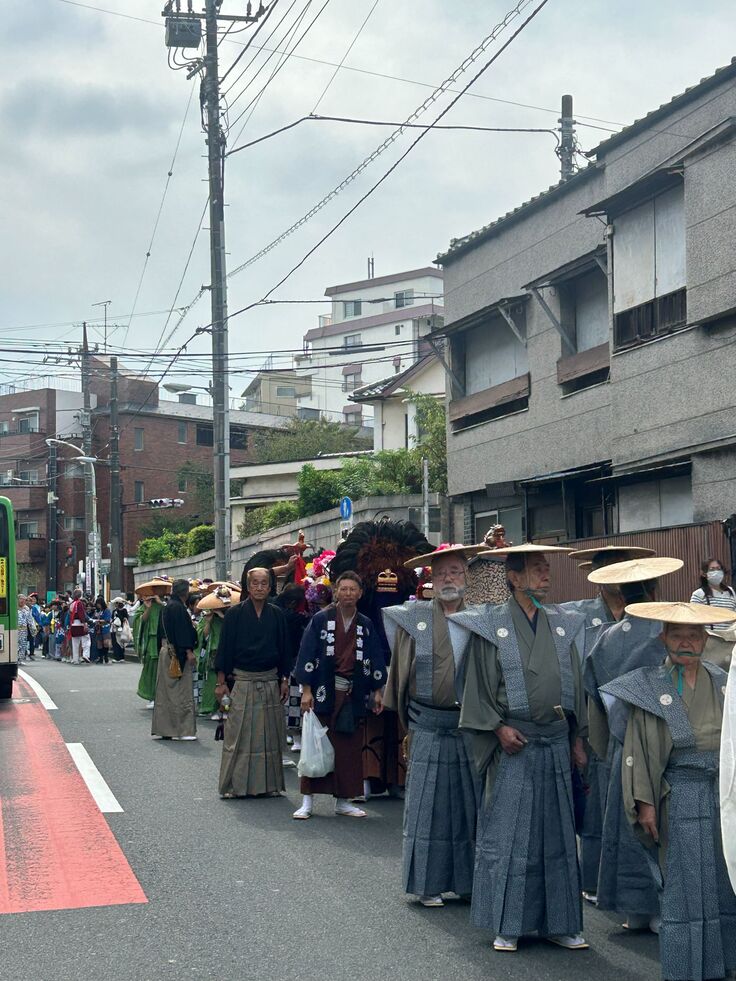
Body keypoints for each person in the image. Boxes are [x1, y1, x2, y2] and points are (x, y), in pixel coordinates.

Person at [453, 543, 588, 953]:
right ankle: (507, 924)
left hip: (554, 740)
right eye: (536, 568)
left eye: (546, 568)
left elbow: (576, 685)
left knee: (558, 837)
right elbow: (475, 684)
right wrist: (496, 728)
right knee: (511, 834)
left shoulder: (563, 623)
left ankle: (560, 922)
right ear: (513, 577)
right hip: (515, 741)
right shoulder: (490, 624)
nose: (546, 574)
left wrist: (576, 737)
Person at [601, 601, 736, 981]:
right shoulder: (649, 687)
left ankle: (723, 962)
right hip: (676, 793)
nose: (686, 643)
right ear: (663, 638)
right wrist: (645, 804)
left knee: (723, 878)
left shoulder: (723, 682)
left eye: (694, 635)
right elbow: (639, 751)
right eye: (677, 635)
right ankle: (685, 968)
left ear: (705, 638)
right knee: (683, 883)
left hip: (720, 793)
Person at [585, 556, 683, 932]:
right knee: (658, 821)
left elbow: (590, 693)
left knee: (625, 821)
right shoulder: (667, 631)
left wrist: (604, 741)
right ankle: (659, 906)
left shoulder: (604, 639)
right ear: (654, 591)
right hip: (662, 740)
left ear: (623, 597)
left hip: (619, 739)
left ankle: (633, 910)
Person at [383, 545, 480, 908]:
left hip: (469, 725)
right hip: (426, 722)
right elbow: (400, 669)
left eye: (455, 572)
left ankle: (468, 881)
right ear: (431, 581)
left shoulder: (479, 619)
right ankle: (427, 883)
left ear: (467, 578)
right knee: (428, 806)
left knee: (469, 804)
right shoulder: (415, 618)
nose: (448, 579)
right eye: (441, 574)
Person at [562, 544, 656, 903]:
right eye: (611, 572)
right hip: (598, 723)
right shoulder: (578, 616)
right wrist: (576, 736)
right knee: (599, 808)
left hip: (643, 726)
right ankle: (596, 880)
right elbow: (575, 677)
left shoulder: (652, 617)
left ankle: (636, 892)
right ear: (598, 579)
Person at [293, 571, 387, 820]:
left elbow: (375, 657)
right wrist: (306, 690)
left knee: (348, 748)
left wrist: (377, 691)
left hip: (352, 693)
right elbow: (307, 654)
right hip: (324, 690)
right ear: (335, 592)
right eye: (343, 589)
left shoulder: (365, 624)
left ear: (360, 593)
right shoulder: (321, 620)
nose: (347, 594)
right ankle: (307, 801)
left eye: (352, 590)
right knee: (316, 745)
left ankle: (343, 800)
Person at [214, 568, 291, 799]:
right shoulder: (235, 614)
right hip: (243, 680)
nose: (259, 587)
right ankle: (234, 785)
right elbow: (225, 649)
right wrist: (220, 683)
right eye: (255, 583)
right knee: (239, 735)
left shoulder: (277, 614)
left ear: (270, 587)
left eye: (264, 583)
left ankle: (268, 785)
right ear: (248, 587)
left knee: (269, 735)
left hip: (270, 680)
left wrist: (284, 679)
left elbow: (285, 650)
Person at [151, 578, 198, 741]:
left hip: (165, 651)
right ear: (185, 592)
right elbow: (182, 632)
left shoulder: (167, 607)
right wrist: (188, 651)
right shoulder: (178, 608)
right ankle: (182, 730)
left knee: (165, 693)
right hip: (177, 653)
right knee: (181, 691)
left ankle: (165, 728)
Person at [195, 583, 240, 719]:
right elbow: (204, 635)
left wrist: (222, 615)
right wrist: (209, 621)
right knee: (214, 681)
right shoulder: (208, 616)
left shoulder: (234, 614)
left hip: (231, 652)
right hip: (214, 652)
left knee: (231, 680)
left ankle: (227, 709)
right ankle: (214, 708)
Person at [133, 578, 171, 707]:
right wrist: (148, 607)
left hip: (165, 640)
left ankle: (165, 697)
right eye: (155, 588)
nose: (158, 590)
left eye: (160, 588)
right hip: (151, 640)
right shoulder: (146, 604)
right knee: (151, 669)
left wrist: (161, 603)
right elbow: (140, 621)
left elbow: (173, 614)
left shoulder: (167, 603)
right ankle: (152, 696)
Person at [690, 557, 736, 627]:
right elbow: (694, 617)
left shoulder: (730, 591)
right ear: (704, 574)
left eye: (718, 569)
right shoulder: (699, 594)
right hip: (711, 636)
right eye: (712, 569)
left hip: (730, 635)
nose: (716, 572)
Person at [69, 588, 92, 665]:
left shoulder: (72, 604)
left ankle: (75, 659)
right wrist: (84, 623)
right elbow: (81, 614)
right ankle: (86, 655)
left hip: (73, 624)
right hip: (80, 623)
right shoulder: (79, 603)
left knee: (75, 643)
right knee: (86, 639)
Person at [91, 597, 112, 664]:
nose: (97, 605)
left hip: (105, 628)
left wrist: (99, 620)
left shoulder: (107, 610)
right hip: (98, 629)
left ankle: (106, 657)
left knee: (106, 643)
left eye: (98, 604)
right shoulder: (98, 611)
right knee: (99, 643)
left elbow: (107, 620)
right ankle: (100, 658)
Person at [17, 594, 36, 664]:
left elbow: (30, 620)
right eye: (21, 599)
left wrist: (33, 630)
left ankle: (20, 659)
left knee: (23, 645)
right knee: (16, 645)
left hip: (23, 630)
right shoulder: (13, 608)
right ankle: (15, 658)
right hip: (15, 630)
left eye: (24, 599)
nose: (22, 601)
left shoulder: (26, 609)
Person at [110, 597, 129, 663]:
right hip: (114, 629)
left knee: (120, 643)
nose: (115, 605)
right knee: (115, 643)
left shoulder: (124, 610)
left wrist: (118, 615)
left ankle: (120, 657)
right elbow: (112, 619)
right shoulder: (114, 611)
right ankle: (116, 657)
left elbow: (125, 619)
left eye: (116, 603)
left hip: (121, 629)